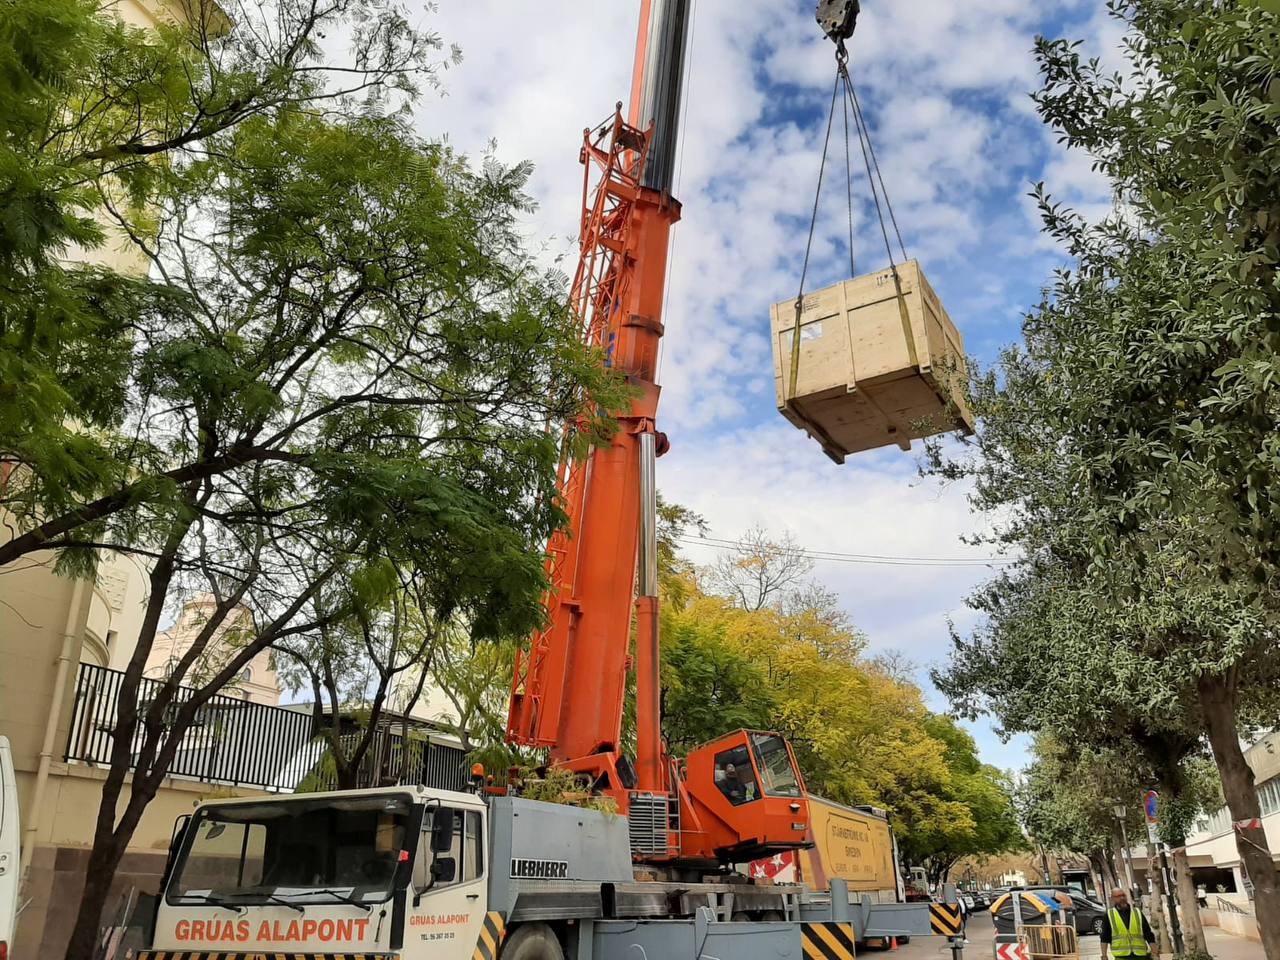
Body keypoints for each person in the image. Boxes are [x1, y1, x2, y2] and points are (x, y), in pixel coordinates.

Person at [1101, 888, 1156, 959]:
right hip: (1121, 956)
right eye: (1118, 896)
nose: (1122, 898)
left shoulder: (1137, 913)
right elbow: (1104, 937)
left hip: (1140, 955)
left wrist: (1155, 953)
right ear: (1113, 899)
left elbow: (1148, 933)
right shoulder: (1109, 915)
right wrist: (1104, 955)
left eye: (1123, 895)